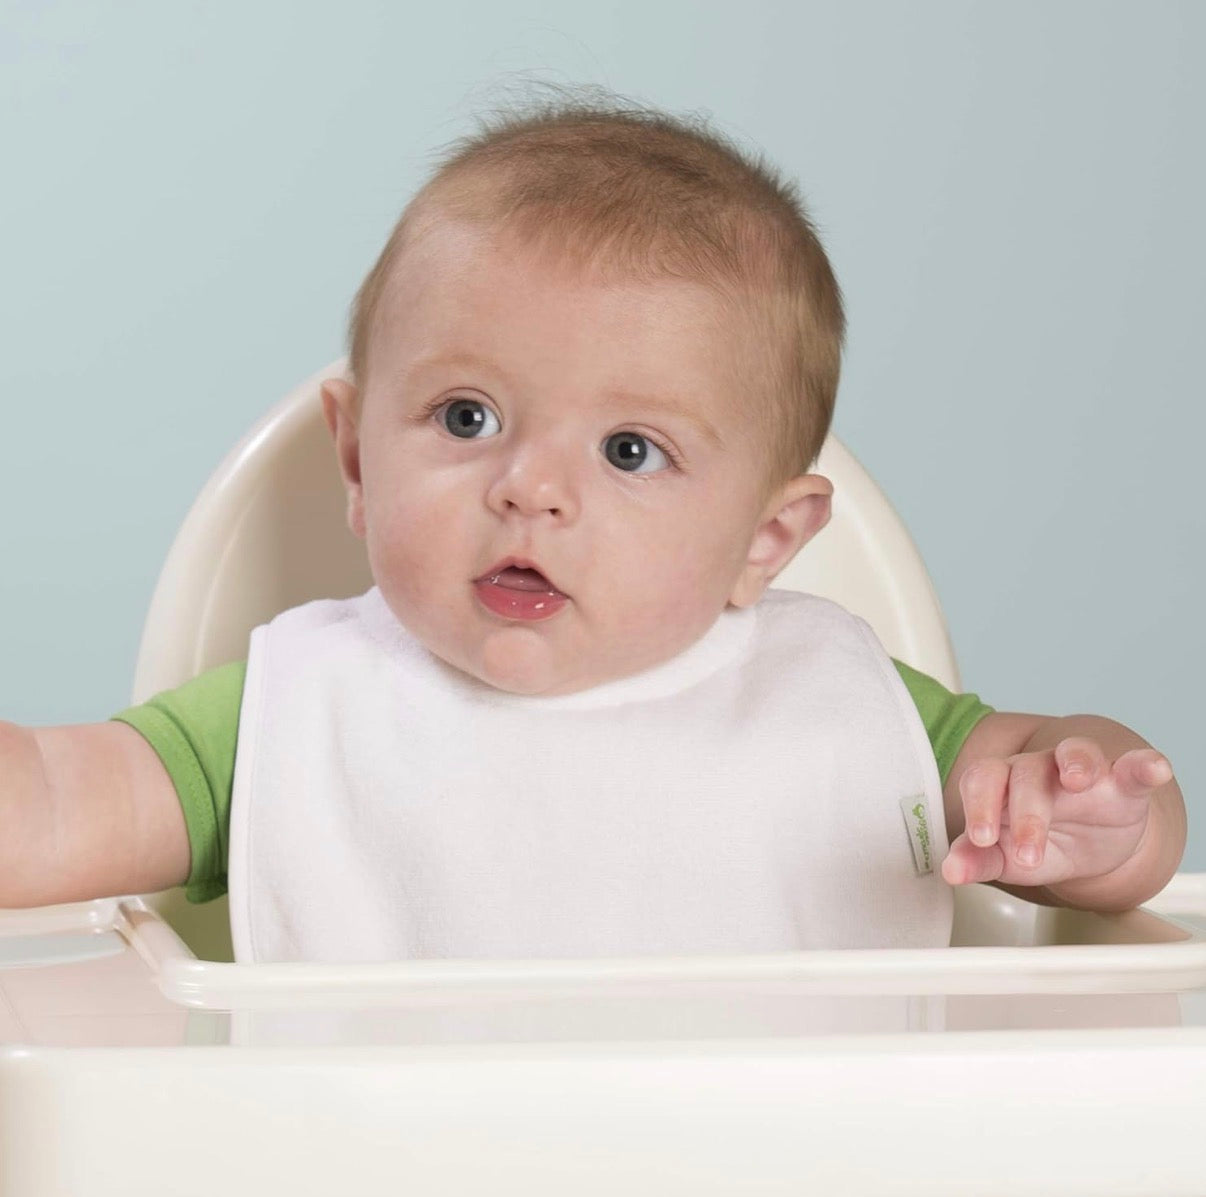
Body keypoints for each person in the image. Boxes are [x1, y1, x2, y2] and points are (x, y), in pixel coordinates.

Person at [0, 94, 1185, 962]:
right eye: (467, 417)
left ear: (765, 544)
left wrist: (1095, 816)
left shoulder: (842, 703)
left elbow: (1111, 840)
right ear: (357, 459)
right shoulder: (294, 709)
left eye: (631, 451)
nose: (531, 489)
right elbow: (49, 805)